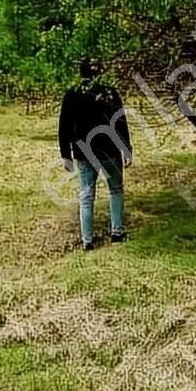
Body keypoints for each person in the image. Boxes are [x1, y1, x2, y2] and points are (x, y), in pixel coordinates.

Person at [58, 58, 131, 250]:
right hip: (110, 151)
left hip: (84, 153)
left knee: (87, 195)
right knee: (115, 190)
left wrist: (65, 154)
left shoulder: (71, 95)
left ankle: (87, 240)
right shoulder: (109, 93)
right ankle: (117, 232)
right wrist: (127, 148)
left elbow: (64, 126)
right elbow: (120, 122)